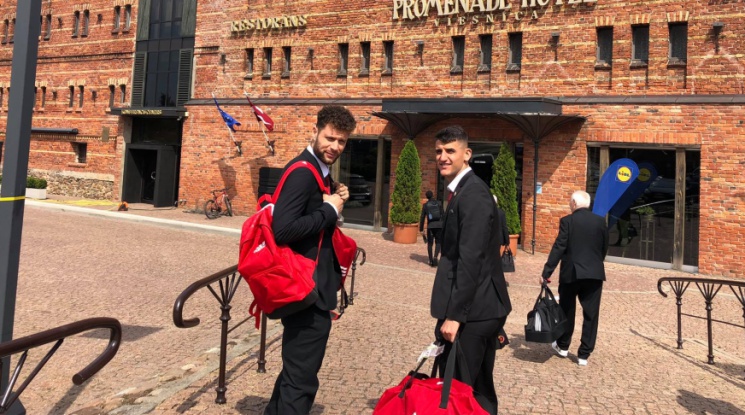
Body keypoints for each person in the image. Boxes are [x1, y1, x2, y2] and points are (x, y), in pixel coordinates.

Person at [265, 105, 356, 415]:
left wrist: (334, 201)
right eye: (330, 138)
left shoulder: (320, 173)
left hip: (310, 288)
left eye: (341, 141)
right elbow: (283, 230)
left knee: (296, 371)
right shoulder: (304, 172)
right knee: (301, 380)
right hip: (305, 291)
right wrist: (329, 209)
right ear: (315, 131)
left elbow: (312, 222)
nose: (335, 147)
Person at [430, 125, 512, 415]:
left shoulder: (472, 194)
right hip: (480, 308)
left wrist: (455, 316)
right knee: (479, 389)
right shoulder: (463, 190)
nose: (443, 157)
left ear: (467, 154)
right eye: (439, 151)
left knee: (459, 391)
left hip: (474, 311)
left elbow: (471, 259)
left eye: (450, 151)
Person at [540, 190, 609, 367]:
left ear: (574, 203)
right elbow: (604, 247)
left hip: (571, 273)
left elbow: (559, 247)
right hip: (593, 273)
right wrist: (595, 263)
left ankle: (563, 346)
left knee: (567, 310)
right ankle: (584, 354)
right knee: (591, 314)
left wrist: (547, 272)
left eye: (570, 202)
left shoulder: (568, 221)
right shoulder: (600, 221)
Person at [419, 190, 443, 267]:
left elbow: (422, 217)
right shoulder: (439, 203)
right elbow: (443, 214)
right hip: (439, 226)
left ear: (426, 197)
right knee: (438, 242)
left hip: (430, 226)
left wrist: (421, 229)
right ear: (433, 195)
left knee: (430, 243)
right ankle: (435, 257)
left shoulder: (425, 205)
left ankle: (430, 260)